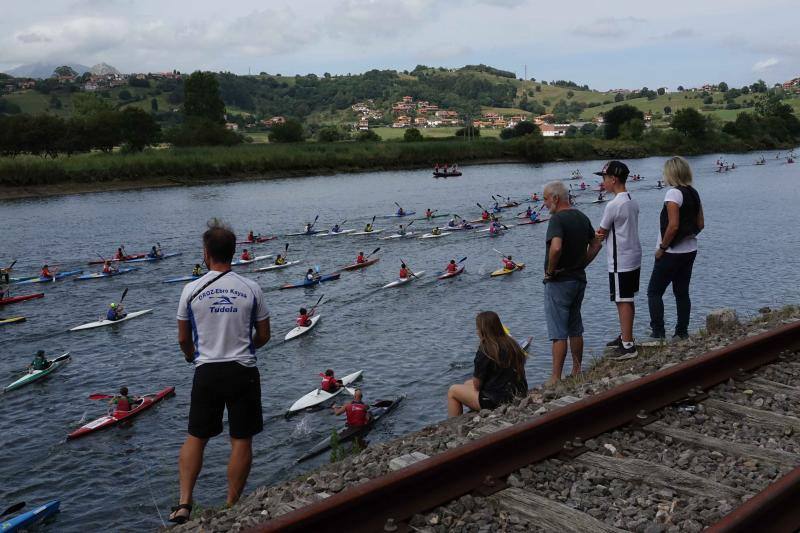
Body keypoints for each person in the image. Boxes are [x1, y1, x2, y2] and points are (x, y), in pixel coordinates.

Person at [172, 219, 270, 524]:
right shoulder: (251, 288)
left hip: (206, 372)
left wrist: (191, 357)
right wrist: (247, 347)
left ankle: (184, 504)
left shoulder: (190, 290)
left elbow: (183, 339)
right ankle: (231, 505)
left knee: (196, 437)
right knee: (241, 439)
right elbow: (264, 335)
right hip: (243, 370)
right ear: (234, 251)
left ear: (206, 253)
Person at [542, 181, 602, 386]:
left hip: (559, 282)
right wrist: (582, 264)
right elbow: (596, 244)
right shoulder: (581, 216)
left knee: (558, 332)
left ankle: (555, 378)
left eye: (545, 199)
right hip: (578, 280)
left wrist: (550, 272)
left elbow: (556, 248)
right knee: (575, 327)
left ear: (555, 198)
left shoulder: (557, 219)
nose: (544, 204)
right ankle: (577, 370)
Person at [647, 156, 704, 340]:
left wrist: (662, 248)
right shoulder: (694, 192)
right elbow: (701, 224)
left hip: (671, 253)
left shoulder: (673, 194)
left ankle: (658, 333)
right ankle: (681, 332)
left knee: (654, 292)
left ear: (671, 173)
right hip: (690, 250)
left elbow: (673, 226)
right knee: (681, 292)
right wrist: (689, 235)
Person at [594, 161, 642, 360]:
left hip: (620, 259)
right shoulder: (631, 200)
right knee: (626, 298)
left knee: (622, 301)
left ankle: (628, 346)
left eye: (604, 178)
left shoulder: (613, 205)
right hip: (633, 255)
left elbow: (601, 233)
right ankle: (625, 335)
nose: (602, 182)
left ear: (613, 179)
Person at [447, 311, 528, 416]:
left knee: (453, 390)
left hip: (497, 400)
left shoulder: (485, 349)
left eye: (477, 329)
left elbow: (477, 385)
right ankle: (480, 411)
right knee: (467, 383)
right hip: (519, 393)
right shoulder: (512, 343)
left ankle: (455, 422)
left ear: (483, 330)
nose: (476, 332)